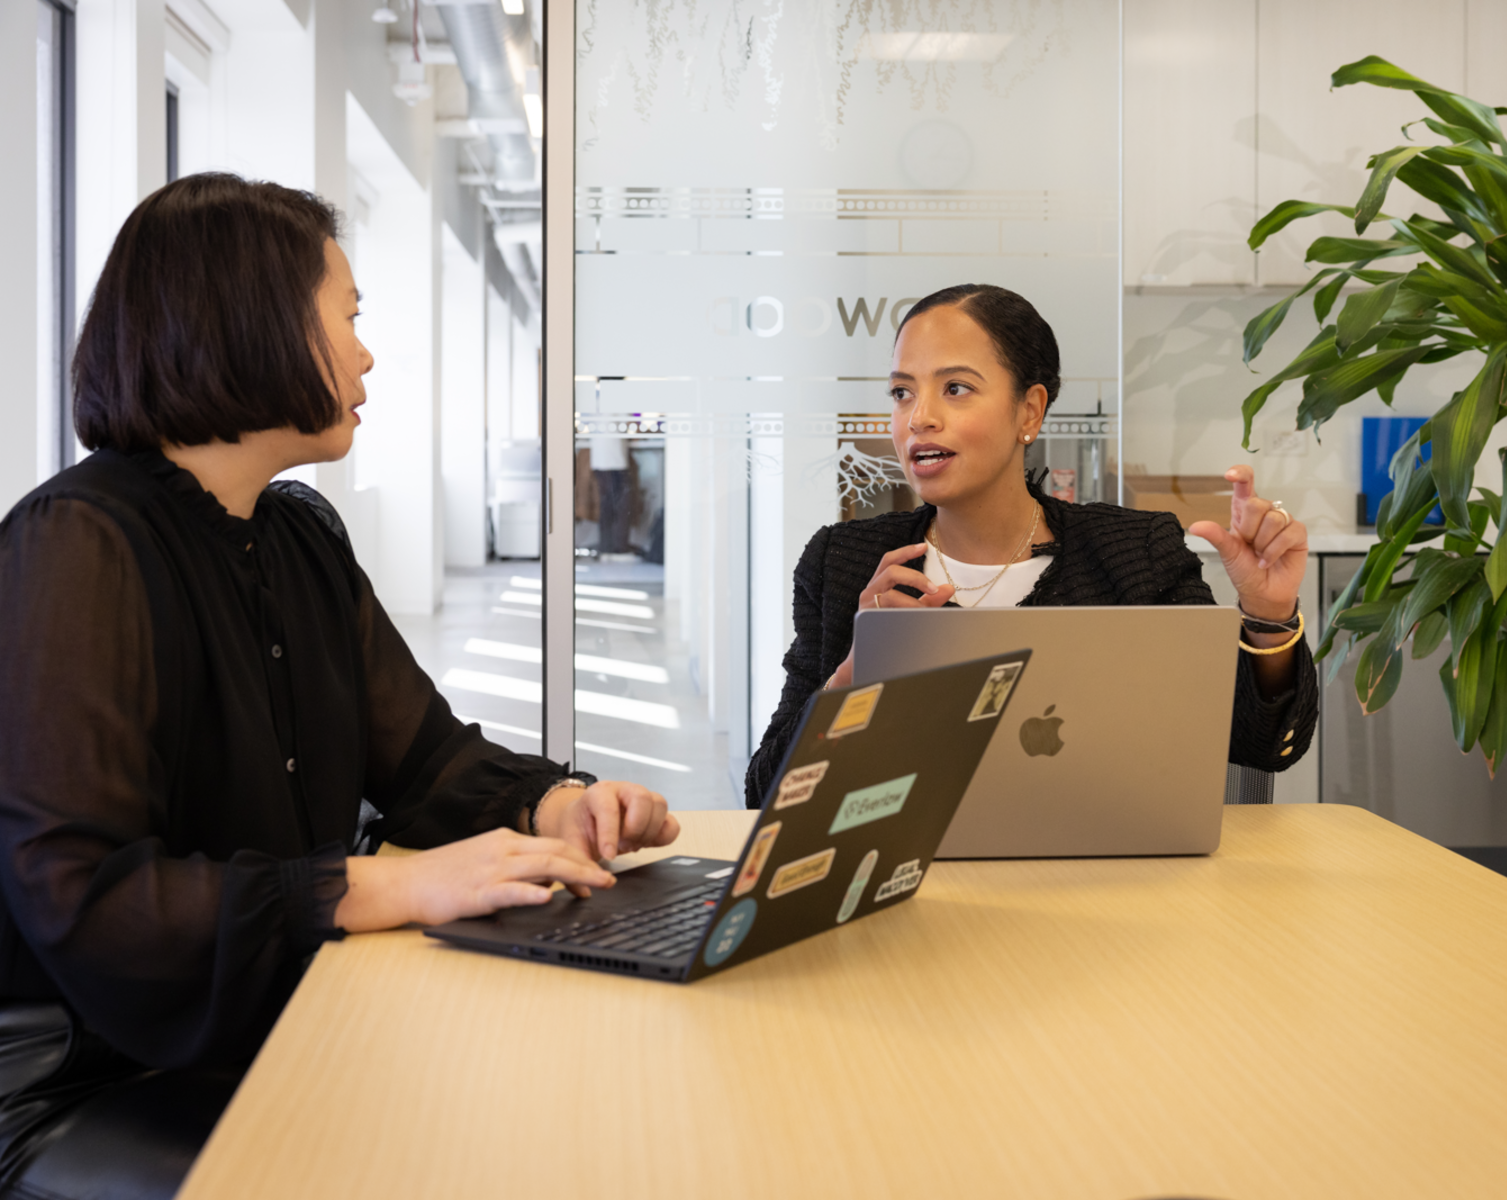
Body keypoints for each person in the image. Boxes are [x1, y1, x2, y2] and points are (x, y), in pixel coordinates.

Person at [0, 174, 681, 1200]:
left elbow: (422, 758)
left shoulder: (299, 536)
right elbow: (88, 902)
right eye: (348, 317)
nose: (365, 354)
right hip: (88, 1078)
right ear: (252, 323)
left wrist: (562, 804)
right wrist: (389, 884)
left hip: (282, 1011)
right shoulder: (78, 544)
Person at [746, 284, 1319, 806]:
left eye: (955, 388)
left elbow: (1261, 745)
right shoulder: (843, 565)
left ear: (1030, 410)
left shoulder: (1133, 551)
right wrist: (852, 674)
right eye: (902, 392)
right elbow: (765, 795)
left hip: (1104, 885)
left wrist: (1268, 615)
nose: (918, 417)